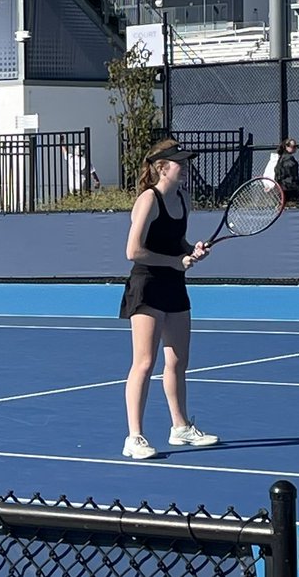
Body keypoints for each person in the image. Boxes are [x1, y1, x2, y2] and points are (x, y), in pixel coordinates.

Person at [119, 138, 219, 460]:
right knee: (145, 362)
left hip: (174, 284)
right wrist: (176, 261)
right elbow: (133, 251)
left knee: (177, 361)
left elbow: (178, 243)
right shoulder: (149, 199)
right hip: (147, 284)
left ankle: (180, 427)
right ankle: (134, 437)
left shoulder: (184, 199)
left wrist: (192, 251)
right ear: (163, 168)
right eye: (181, 162)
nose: (186, 167)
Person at [274, 138, 299, 207]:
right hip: (290, 189)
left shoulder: (281, 158)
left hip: (282, 188)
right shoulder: (288, 159)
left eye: (296, 146)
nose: (295, 148)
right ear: (287, 147)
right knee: (293, 208)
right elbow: (290, 174)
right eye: (294, 146)